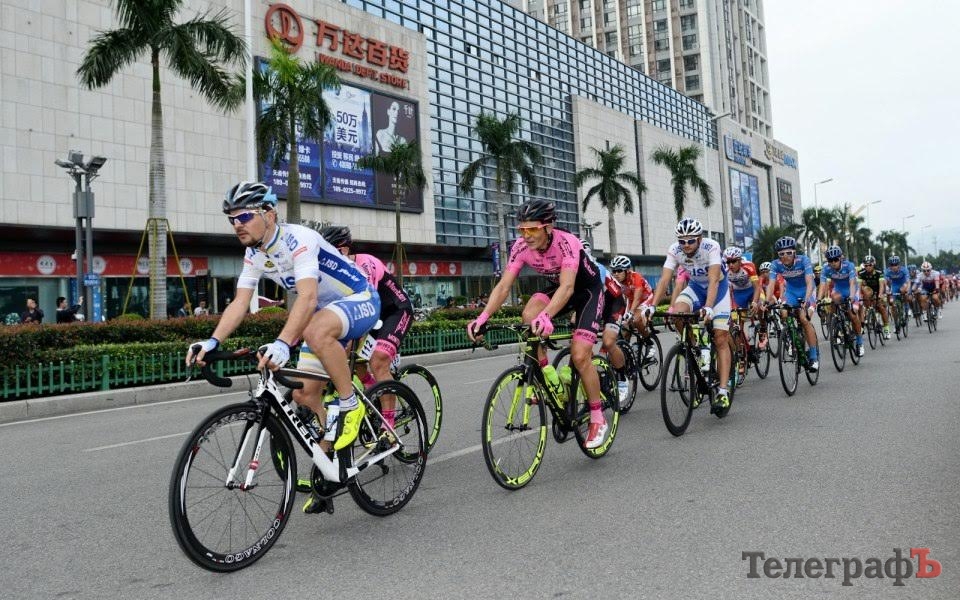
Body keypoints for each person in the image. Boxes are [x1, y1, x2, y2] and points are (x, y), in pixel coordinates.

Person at [185, 181, 381, 508]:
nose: (237, 225)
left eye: (244, 216)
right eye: (232, 219)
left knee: (315, 330)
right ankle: (334, 457)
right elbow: (240, 302)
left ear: (269, 214)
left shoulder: (298, 240)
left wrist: (282, 343)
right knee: (304, 394)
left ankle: (351, 404)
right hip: (323, 315)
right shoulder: (254, 254)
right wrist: (212, 341)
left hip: (358, 298)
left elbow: (308, 298)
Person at [466, 199, 610, 449]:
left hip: (587, 291)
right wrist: (482, 317)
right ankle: (548, 375)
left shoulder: (566, 242)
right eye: (522, 229)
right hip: (559, 289)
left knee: (579, 355)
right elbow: (504, 286)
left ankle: (598, 417)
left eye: (532, 229)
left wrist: (547, 316)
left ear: (548, 227)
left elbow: (568, 287)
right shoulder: (520, 246)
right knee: (528, 314)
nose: (526, 235)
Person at [318, 224, 413, 431]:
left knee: (378, 361)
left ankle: (388, 423)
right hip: (372, 316)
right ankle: (374, 392)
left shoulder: (365, 264)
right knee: (355, 364)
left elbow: (366, 304)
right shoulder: (333, 274)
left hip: (396, 311)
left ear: (344, 249)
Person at [640, 218, 733, 410]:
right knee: (678, 314)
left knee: (720, 338)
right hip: (696, 287)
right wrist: (652, 306)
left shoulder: (711, 247)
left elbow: (714, 280)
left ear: (699, 239)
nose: (686, 245)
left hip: (718, 290)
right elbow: (665, 279)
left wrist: (709, 307)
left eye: (690, 240)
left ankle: (723, 391)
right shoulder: (675, 250)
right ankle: (695, 348)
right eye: (682, 241)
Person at [763, 236, 819, 371]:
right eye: (781, 254)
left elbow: (809, 282)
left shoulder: (803, 260)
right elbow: (771, 285)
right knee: (783, 312)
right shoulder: (775, 264)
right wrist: (767, 301)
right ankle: (791, 338)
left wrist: (806, 300)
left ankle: (813, 356)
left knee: (803, 319)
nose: (785, 256)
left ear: (794, 252)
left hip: (807, 291)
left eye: (789, 253)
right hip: (791, 292)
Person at [818, 245, 864, 357]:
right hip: (838, 290)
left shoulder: (849, 266)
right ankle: (837, 324)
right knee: (833, 299)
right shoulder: (826, 268)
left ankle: (859, 342)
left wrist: (852, 296)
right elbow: (822, 285)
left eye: (835, 259)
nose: (833, 263)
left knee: (853, 314)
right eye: (830, 260)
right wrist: (818, 300)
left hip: (852, 290)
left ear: (840, 258)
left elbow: (852, 282)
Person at [857, 255, 890, 339]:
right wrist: (858, 295)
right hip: (869, 290)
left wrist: (880, 295)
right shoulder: (861, 273)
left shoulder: (879, 271)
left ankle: (886, 329)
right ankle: (869, 310)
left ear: (873, 264)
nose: (868, 267)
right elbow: (859, 286)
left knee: (881, 308)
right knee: (865, 291)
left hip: (879, 289)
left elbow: (881, 285)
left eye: (870, 265)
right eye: (866, 265)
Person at [883, 255, 912, 335]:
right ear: (890, 266)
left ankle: (906, 308)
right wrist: (887, 289)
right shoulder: (887, 271)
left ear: (899, 264)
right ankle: (896, 324)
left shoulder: (904, 270)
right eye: (892, 265)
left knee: (904, 291)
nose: (894, 267)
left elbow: (908, 281)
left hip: (903, 284)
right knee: (893, 305)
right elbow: (885, 282)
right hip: (895, 286)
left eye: (896, 265)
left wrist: (908, 290)